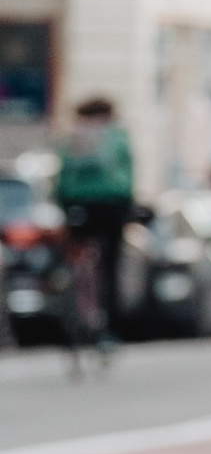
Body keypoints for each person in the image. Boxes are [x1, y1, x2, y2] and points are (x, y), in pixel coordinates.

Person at [53, 93, 136, 341]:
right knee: (110, 265)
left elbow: (62, 176)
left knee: (72, 254)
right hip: (112, 205)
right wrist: (130, 206)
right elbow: (128, 175)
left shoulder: (71, 139)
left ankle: (68, 298)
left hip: (77, 204)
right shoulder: (117, 136)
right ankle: (108, 327)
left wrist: (63, 205)